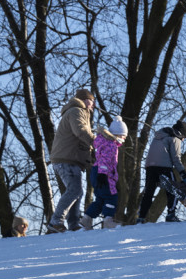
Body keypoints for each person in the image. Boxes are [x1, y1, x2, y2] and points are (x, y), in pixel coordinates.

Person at [47, 88, 95, 233]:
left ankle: (74, 224)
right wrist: (97, 142)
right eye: (91, 101)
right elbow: (80, 131)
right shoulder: (76, 111)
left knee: (77, 191)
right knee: (74, 190)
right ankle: (56, 222)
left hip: (70, 159)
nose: (92, 105)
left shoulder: (79, 112)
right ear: (85, 100)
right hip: (66, 159)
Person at [137, 121, 186, 223]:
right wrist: (183, 173)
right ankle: (171, 214)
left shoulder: (158, 136)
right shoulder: (175, 138)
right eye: (184, 138)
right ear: (182, 134)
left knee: (148, 192)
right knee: (173, 189)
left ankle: (141, 216)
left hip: (150, 167)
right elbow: (176, 159)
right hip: (164, 167)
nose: (183, 140)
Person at [82, 116, 129, 229]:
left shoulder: (104, 142)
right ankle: (108, 220)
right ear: (117, 134)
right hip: (104, 174)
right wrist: (103, 174)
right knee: (111, 197)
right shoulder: (111, 145)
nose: (124, 138)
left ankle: (86, 219)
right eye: (123, 136)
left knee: (100, 199)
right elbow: (105, 159)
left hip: (96, 172)